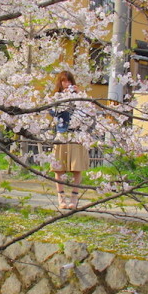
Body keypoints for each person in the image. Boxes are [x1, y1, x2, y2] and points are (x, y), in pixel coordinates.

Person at [51, 70, 89, 211]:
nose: (66, 84)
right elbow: (52, 113)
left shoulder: (79, 98)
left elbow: (87, 112)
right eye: (63, 81)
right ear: (60, 83)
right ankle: (61, 197)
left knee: (76, 167)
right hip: (62, 134)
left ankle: (74, 197)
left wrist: (78, 96)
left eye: (69, 81)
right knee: (58, 167)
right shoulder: (57, 97)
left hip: (77, 135)